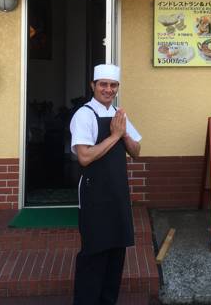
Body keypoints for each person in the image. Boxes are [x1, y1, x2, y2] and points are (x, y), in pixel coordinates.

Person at [70, 64, 141, 305]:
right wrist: (115, 136)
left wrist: (125, 134)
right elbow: (84, 157)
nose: (108, 89)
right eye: (103, 84)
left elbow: (137, 152)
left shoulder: (119, 115)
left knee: (116, 254)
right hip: (94, 196)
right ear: (93, 86)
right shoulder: (84, 115)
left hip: (118, 194)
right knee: (94, 255)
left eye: (113, 85)